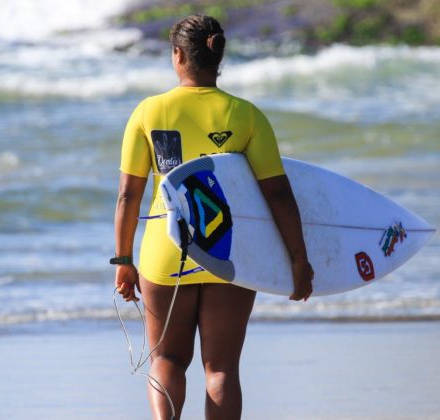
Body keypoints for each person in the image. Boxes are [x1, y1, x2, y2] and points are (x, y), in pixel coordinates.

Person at [114, 15, 314, 420]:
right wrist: (298, 258)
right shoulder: (246, 115)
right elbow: (276, 192)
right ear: (217, 55)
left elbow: (128, 195)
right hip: (231, 251)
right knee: (221, 368)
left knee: (167, 359)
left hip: (166, 252)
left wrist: (123, 261)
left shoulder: (148, 112)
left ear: (177, 56)